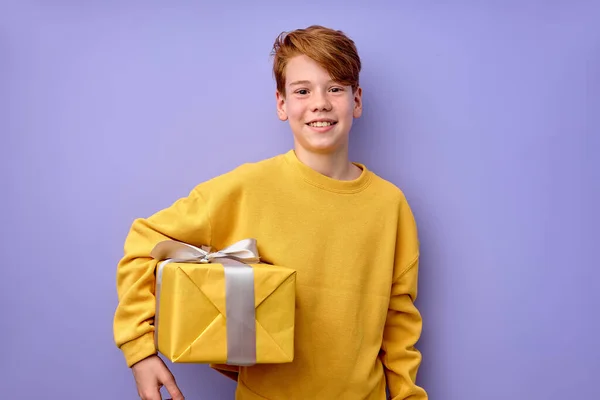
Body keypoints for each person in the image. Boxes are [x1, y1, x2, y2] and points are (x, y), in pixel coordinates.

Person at [113, 25, 428, 400]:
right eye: (302, 90)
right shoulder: (247, 188)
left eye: (335, 88)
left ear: (356, 100)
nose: (320, 102)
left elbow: (399, 321)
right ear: (282, 104)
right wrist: (140, 351)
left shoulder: (390, 205)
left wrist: (408, 394)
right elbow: (143, 242)